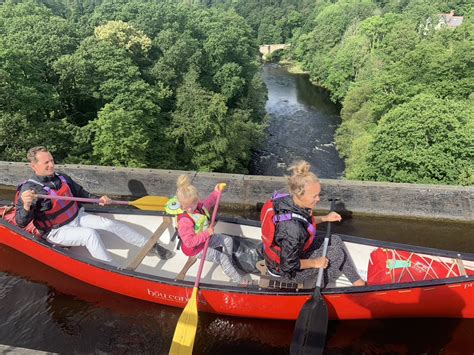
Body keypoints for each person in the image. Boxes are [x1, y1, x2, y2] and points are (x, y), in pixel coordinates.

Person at [15, 146, 164, 265]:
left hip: (77, 217)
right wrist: (27, 206)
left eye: (52, 160)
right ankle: (112, 269)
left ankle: (150, 246)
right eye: (46, 162)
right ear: (34, 166)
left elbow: (81, 194)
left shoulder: (62, 178)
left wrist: (99, 199)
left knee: (109, 224)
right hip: (56, 231)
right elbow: (21, 222)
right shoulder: (29, 190)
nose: (51, 165)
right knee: (90, 235)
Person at [264, 160, 365, 287]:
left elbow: (302, 220)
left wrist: (325, 218)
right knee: (336, 253)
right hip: (286, 272)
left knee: (335, 239)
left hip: (290, 253)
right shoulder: (293, 230)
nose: (318, 199)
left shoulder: (288, 201)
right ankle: (320, 290)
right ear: (300, 194)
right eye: (314, 196)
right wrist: (315, 263)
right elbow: (288, 266)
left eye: (319, 194)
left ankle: (357, 282)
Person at [171, 175, 249, 285]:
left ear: (196, 200)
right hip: (196, 249)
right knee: (222, 257)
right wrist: (206, 233)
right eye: (185, 207)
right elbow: (189, 242)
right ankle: (240, 281)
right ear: (181, 205)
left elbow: (209, 202)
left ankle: (228, 266)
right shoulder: (185, 221)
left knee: (227, 240)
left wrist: (216, 192)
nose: (190, 209)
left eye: (192, 204)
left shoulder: (198, 207)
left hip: (206, 239)